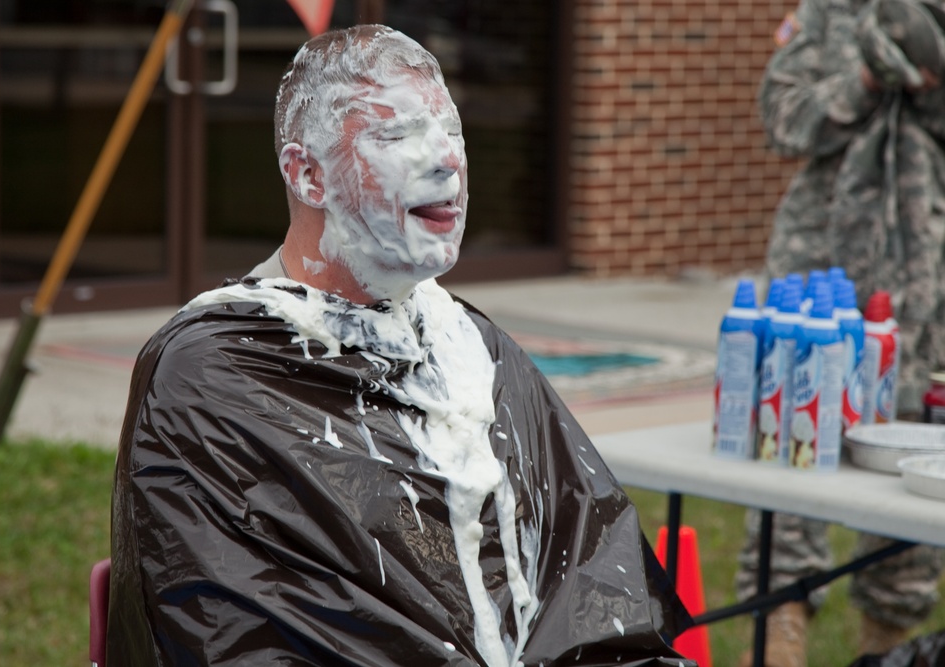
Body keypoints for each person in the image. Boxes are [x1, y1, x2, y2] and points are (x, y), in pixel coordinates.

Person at [106, 25, 693, 666]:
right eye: (399, 135)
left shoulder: (471, 349)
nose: (446, 159)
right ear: (308, 175)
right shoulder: (214, 372)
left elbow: (590, 586)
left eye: (453, 131)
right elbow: (237, 631)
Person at [735, 1, 945, 665]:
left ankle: (891, 645)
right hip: (816, 278)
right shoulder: (832, 11)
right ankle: (778, 639)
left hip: (925, 289)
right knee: (790, 454)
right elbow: (783, 118)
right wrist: (867, 76)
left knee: (916, 469)